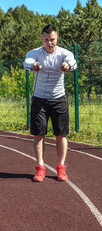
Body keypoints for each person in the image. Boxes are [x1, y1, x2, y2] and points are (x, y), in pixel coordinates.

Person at [24, 24, 77, 182]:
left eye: (52, 39)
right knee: (39, 134)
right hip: (39, 99)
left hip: (58, 99)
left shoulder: (64, 53)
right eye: (46, 39)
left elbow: (73, 63)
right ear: (42, 39)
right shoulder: (34, 53)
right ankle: (40, 167)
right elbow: (26, 62)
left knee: (61, 135)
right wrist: (33, 65)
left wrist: (68, 66)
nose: (50, 43)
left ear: (57, 38)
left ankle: (61, 168)